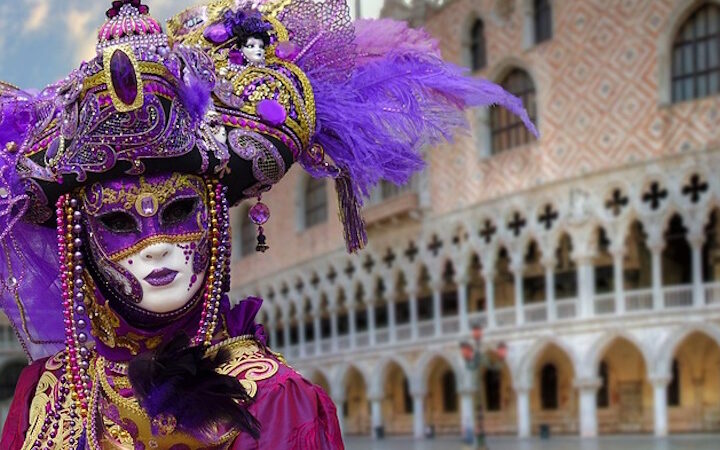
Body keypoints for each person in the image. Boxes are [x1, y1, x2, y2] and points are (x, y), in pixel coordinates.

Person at [0, 0, 536, 448]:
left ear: (214, 217)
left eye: (180, 211)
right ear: (79, 236)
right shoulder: (44, 393)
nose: (156, 245)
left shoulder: (275, 400)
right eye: (118, 221)